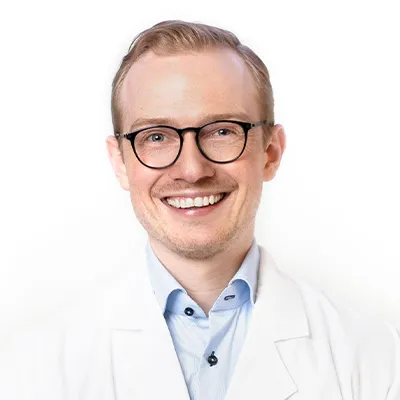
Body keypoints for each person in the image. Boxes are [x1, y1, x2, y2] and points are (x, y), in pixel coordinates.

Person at [0, 20, 399, 400]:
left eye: (222, 131)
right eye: (156, 136)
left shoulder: (375, 358)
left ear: (271, 153)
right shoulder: (29, 367)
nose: (192, 170)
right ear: (120, 162)